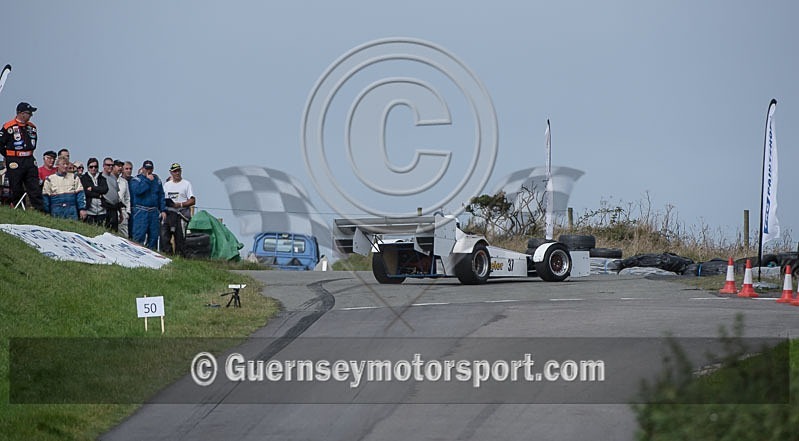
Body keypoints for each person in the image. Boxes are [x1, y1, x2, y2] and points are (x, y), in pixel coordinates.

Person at [0, 102, 44, 210]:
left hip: (29, 159)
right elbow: (0, 144)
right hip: (14, 160)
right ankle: (18, 208)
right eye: (29, 113)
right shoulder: (8, 127)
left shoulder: (32, 127)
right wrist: (8, 156)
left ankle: (40, 210)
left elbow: (34, 143)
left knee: (34, 186)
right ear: (21, 113)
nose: (30, 116)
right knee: (16, 186)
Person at [161, 162, 196, 255]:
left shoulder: (186, 184)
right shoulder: (167, 185)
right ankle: (167, 255)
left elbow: (192, 200)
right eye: (175, 171)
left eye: (178, 171)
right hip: (169, 214)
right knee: (165, 237)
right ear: (171, 172)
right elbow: (162, 199)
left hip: (181, 215)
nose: (177, 173)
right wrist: (163, 210)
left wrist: (180, 204)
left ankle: (180, 256)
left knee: (179, 239)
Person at [130, 160, 165, 250]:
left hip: (153, 211)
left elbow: (161, 195)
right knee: (139, 236)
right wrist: (147, 181)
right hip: (141, 210)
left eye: (150, 169)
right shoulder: (136, 179)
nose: (148, 171)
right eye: (146, 169)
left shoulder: (157, 180)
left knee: (153, 237)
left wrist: (163, 210)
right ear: (143, 169)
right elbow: (138, 191)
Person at [42, 156, 87, 220]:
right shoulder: (50, 179)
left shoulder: (74, 177)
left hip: (71, 210)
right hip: (56, 210)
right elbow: (45, 198)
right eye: (63, 164)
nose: (65, 166)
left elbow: (80, 195)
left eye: (67, 164)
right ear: (57, 165)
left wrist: (82, 209)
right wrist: (46, 212)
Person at [79, 157, 108, 225]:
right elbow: (86, 192)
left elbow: (105, 189)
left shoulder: (102, 178)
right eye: (91, 167)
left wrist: (92, 188)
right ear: (88, 167)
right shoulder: (83, 178)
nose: (93, 168)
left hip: (102, 211)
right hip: (89, 211)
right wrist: (98, 195)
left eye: (95, 166)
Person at [101, 157, 121, 231]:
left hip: (114, 207)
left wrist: (120, 212)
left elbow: (117, 193)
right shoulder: (100, 177)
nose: (110, 167)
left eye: (112, 165)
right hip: (105, 206)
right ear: (104, 166)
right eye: (108, 165)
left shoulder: (114, 178)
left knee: (114, 229)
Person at [114, 159, 131, 238]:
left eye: (121, 166)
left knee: (124, 235)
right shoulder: (108, 179)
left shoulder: (124, 182)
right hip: (112, 209)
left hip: (123, 210)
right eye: (118, 166)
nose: (120, 168)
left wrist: (128, 212)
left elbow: (127, 198)